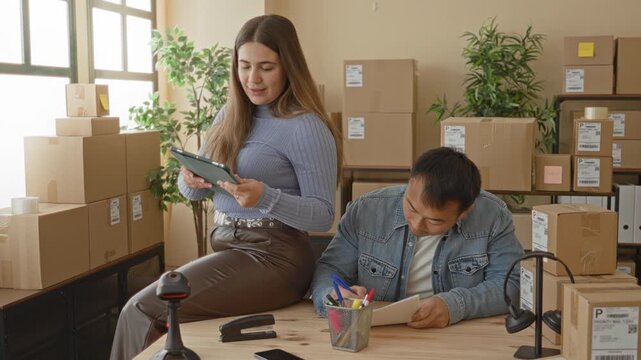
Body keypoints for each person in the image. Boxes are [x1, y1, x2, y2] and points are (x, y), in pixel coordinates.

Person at [110, 14, 341, 359]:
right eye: (244, 66)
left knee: (141, 309)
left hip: (275, 258)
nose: (252, 79)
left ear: (289, 67)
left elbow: (323, 216)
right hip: (229, 249)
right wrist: (189, 178)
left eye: (266, 67)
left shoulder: (305, 126)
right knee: (155, 316)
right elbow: (194, 192)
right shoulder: (228, 115)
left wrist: (267, 198)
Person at [311, 147, 523, 328]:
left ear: (465, 211)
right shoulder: (367, 210)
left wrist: (455, 305)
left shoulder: (493, 216)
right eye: (411, 207)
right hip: (379, 335)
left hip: (456, 334)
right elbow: (330, 268)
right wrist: (336, 295)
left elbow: (510, 285)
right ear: (410, 181)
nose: (417, 224)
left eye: (435, 221)